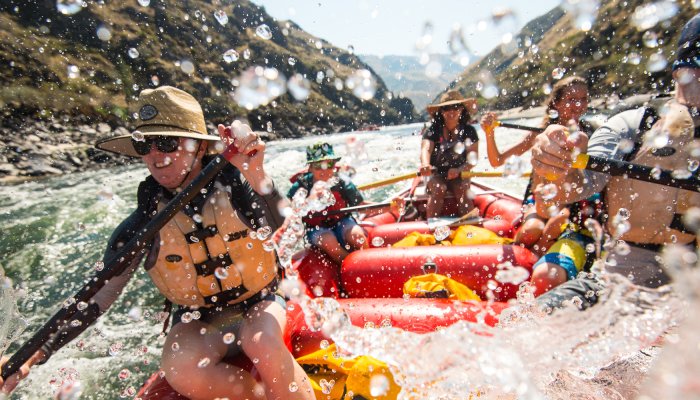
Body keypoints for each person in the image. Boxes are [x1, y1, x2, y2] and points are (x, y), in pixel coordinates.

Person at [0, 86, 315, 400]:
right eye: (143, 144)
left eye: (166, 142)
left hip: (260, 303)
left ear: (197, 147)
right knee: (179, 367)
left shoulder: (238, 188)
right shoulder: (142, 224)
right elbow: (97, 298)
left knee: (262, 341)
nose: (154, 154)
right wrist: (30, 358)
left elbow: (288, 228)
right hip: (200, 320)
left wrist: (256, 173)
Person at [530, 13, 700, 292]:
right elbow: (574, 189)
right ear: (680, 70)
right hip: (626, 268)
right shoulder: (631, 126)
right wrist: (552, 165)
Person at [286, 142, 402, 265]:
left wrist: (390, 207)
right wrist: (309, 200)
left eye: (329, 164)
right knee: (329, 241)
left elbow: (362, 206)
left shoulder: (342, 182)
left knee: (358, 237)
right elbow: (289, 210)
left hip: (342, 222)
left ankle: (369, 264)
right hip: (316, 229)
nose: (325, 170)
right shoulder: (301, 186)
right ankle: (351, 267)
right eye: (319, 165)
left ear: (335, 165)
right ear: (310, 168)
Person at [420, 90, 480, 218]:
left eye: (456, 107)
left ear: (462, 110)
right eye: (447, 108)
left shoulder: (469, 131)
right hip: (435, 173)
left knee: (462, 188)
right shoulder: (433, 130)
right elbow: (426, 149)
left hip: (460, 172)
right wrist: (425, 164)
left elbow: (473, 159)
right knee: (438, 187)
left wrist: (459, 170)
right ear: (441, 112)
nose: (451, 111)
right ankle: (432, 226)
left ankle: (470, 227)